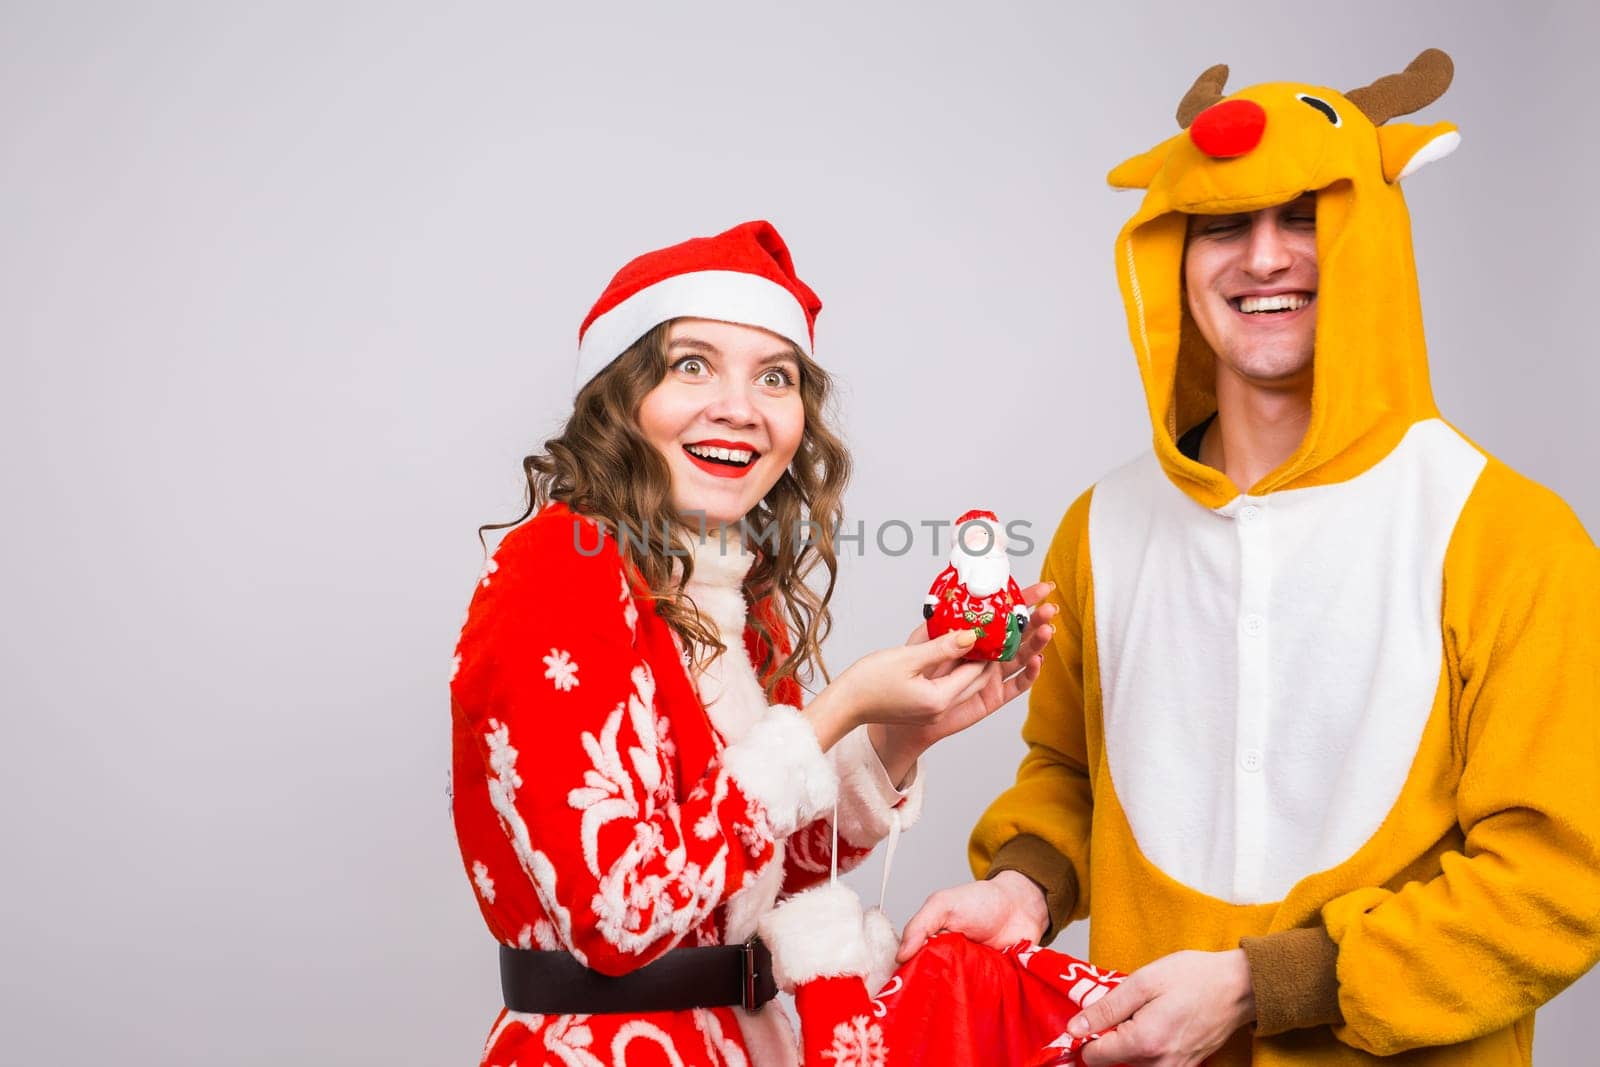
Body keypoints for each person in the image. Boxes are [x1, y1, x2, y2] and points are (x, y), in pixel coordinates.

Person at [902, 50, 1600, 1066]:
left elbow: (1555, 878)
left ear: (1372, 237)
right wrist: (1023, 882)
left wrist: (1258, 984)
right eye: (1222, 223)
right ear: (1173, 257)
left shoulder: (1507, 534)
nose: (1262, 258)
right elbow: (1066, 770)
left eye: (1305, 215)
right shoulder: (1099, 526)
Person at [448, 220, 1055, 1066]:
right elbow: (620, 913)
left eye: (775, 376)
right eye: (691, 364)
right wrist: (837, 706)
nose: (740, 406)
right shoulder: (559, 566)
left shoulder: (732, 595)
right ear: (619, 397)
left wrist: (897, 735)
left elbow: (765, 867)